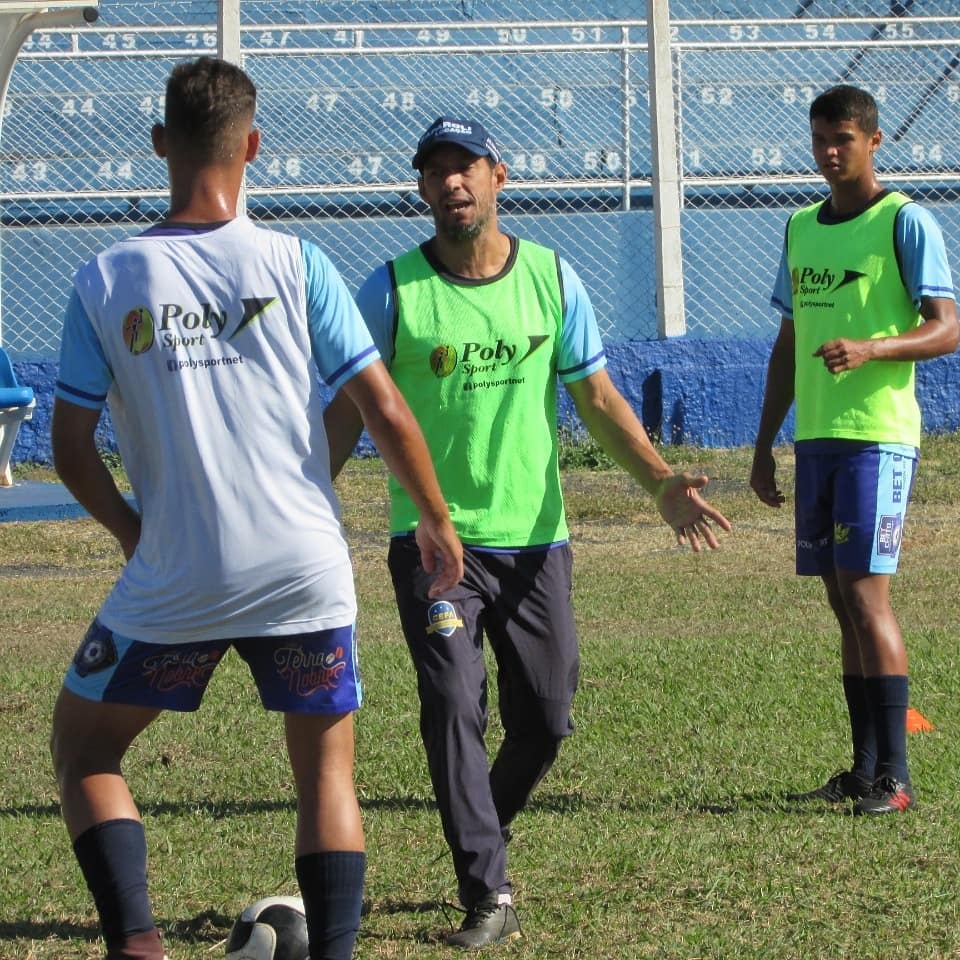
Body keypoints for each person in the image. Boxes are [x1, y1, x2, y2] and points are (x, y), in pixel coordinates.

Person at [48, 58, 462, 960]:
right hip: (302, 568)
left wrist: (134, 534)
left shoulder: (106, 278)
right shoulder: (298, 262)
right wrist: (434, 516)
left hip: (179, 572)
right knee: (326, 775)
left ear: (160, 143)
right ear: (255, 146)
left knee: (84, 751)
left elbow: (70, 448)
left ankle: (138, 945)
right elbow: (385, 409)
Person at [323, 114, 732, 948]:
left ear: (498, 176)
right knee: (452, 703)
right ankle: (488, 890)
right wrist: (301, 501)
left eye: (467, 166)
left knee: (545, 718)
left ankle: (484, 827)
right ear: (421, 187)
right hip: (434, 543)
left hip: (537, 541)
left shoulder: (549, 276)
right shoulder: (392, 290)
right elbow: (348, 409)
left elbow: (599, 399)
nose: (453, 182)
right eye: (437, 171)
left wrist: (660, 484)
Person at [751, 85, 959, 816]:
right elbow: (788, 343)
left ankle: (896, 779)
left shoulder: (904, 220)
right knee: (842, 601)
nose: (829, 152)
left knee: (868, 597)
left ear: (873, 141)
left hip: (878, 438)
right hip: (817, 441)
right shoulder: (801, 227)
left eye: (842, 138)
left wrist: (873, 347)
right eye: (819, 139)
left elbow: (947, 327)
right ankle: (864, 768)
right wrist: (765, 443)